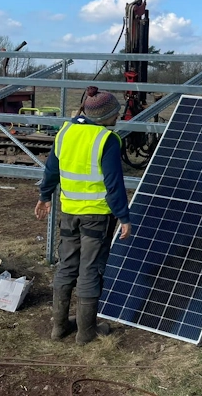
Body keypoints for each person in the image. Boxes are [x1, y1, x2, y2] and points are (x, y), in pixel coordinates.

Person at [34, 86, 132, 345]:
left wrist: (45, 196)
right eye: (115, 113)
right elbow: (114, 183)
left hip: (69, 212)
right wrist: (123, 216)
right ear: (103, 116)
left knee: (66, 265)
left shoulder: (65, 132)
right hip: (97, 216)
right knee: (90, 270)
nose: (118, 117)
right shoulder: (106, 139)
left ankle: (59, 328)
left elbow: (51, 169)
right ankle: (86, 332)